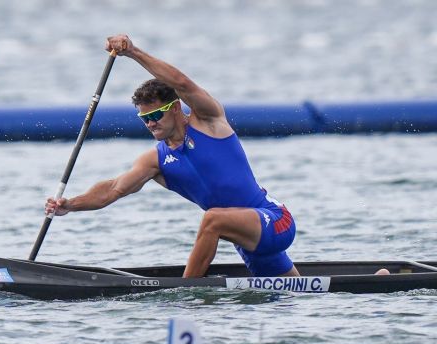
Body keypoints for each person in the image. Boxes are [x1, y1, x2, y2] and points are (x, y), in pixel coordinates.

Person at [45, 34, 300, 278]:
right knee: (295, 293)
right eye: (145, 119)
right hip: (244, 237)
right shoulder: (155, 160)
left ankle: (186, 293)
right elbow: (113, 189)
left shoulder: (208, 121)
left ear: (176, 108)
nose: (151, 123)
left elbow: (182, 83)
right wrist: (70, 205)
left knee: (212, 219)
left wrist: (132, 52)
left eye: (156, 115)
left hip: (275, 220)